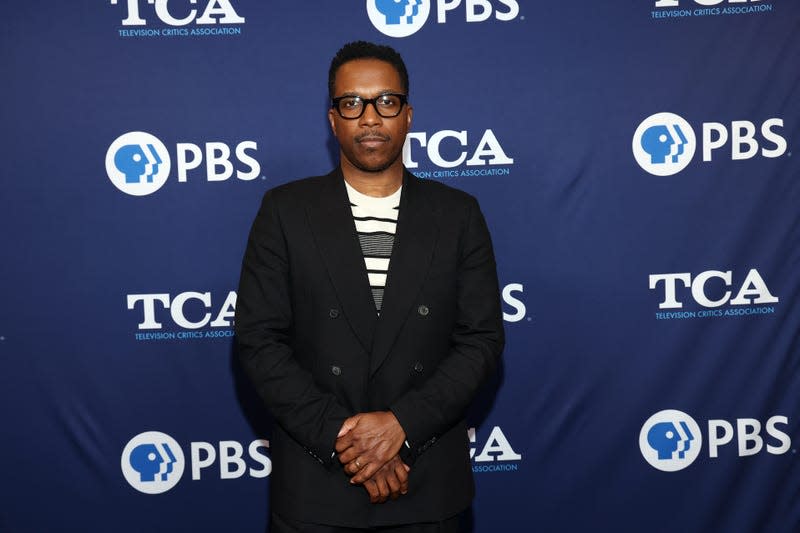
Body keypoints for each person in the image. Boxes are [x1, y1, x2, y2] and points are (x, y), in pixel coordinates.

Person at [235, 41, 504, 532]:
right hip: (317, 488)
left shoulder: (458, 214)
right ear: (333, 119)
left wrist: (403, 425)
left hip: (428, 487)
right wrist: (349, 441)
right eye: (352, 103)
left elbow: (480, 340)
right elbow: (259, 340)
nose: (370, 117)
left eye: (386, 101)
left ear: (408, 115)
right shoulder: (285, 212)